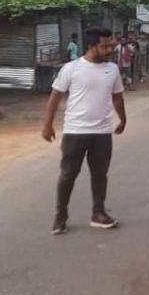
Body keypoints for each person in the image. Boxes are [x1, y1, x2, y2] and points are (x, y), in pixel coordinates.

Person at [41, 28, 126, 235]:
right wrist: (47, 124)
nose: (108, 49)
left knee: (100, 175)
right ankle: (60, 217)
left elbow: (117, 97)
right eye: (104, 46)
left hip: (102, 132)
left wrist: (123, 119)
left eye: (109, 45)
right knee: (68, 175)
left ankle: (98, 213)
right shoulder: (71, 69)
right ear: (91, 46)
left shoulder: (112, 69)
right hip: (75, 131)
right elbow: (55, 97)